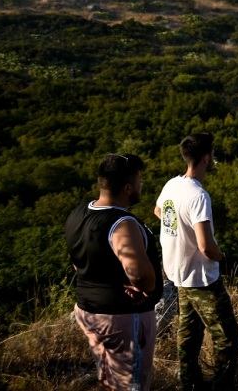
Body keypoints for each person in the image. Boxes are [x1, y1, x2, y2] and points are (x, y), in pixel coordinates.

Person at [65, 153, 163, 391]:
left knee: (108, 379)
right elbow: (139, 274)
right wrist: (146, 288)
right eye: (139, 180)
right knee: (131, 385)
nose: (141, 185)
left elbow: (76, 259)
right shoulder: (122, 223)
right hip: (122, 318)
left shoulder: (78, 213)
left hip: (89, 311)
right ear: (127, 188)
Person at [155, 133, 238, 390]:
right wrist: (220, 255)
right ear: (206, 158)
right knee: (227, 338)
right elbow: (205, 246)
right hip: (202, 278)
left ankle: (190, 384)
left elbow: (159, 211)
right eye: (212, 154)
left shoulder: (172, 184)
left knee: (189, 334)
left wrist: (180, 232)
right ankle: (222, 387)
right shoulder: (198, 196)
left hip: (178, 273)